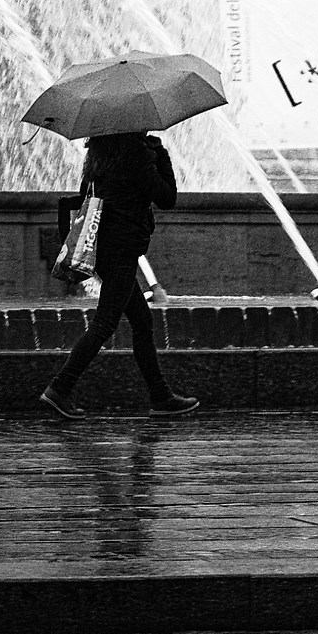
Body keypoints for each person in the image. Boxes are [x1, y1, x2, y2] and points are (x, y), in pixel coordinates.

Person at [42, 132, 199, 420]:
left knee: (142, 321)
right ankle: (59, 388)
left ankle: (160, 395)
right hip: (122, 248)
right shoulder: (137, 153)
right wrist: (161, 154)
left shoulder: (99, 152)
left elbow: (88, 195)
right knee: (105, 324)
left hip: (102, 246)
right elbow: (166, 197)